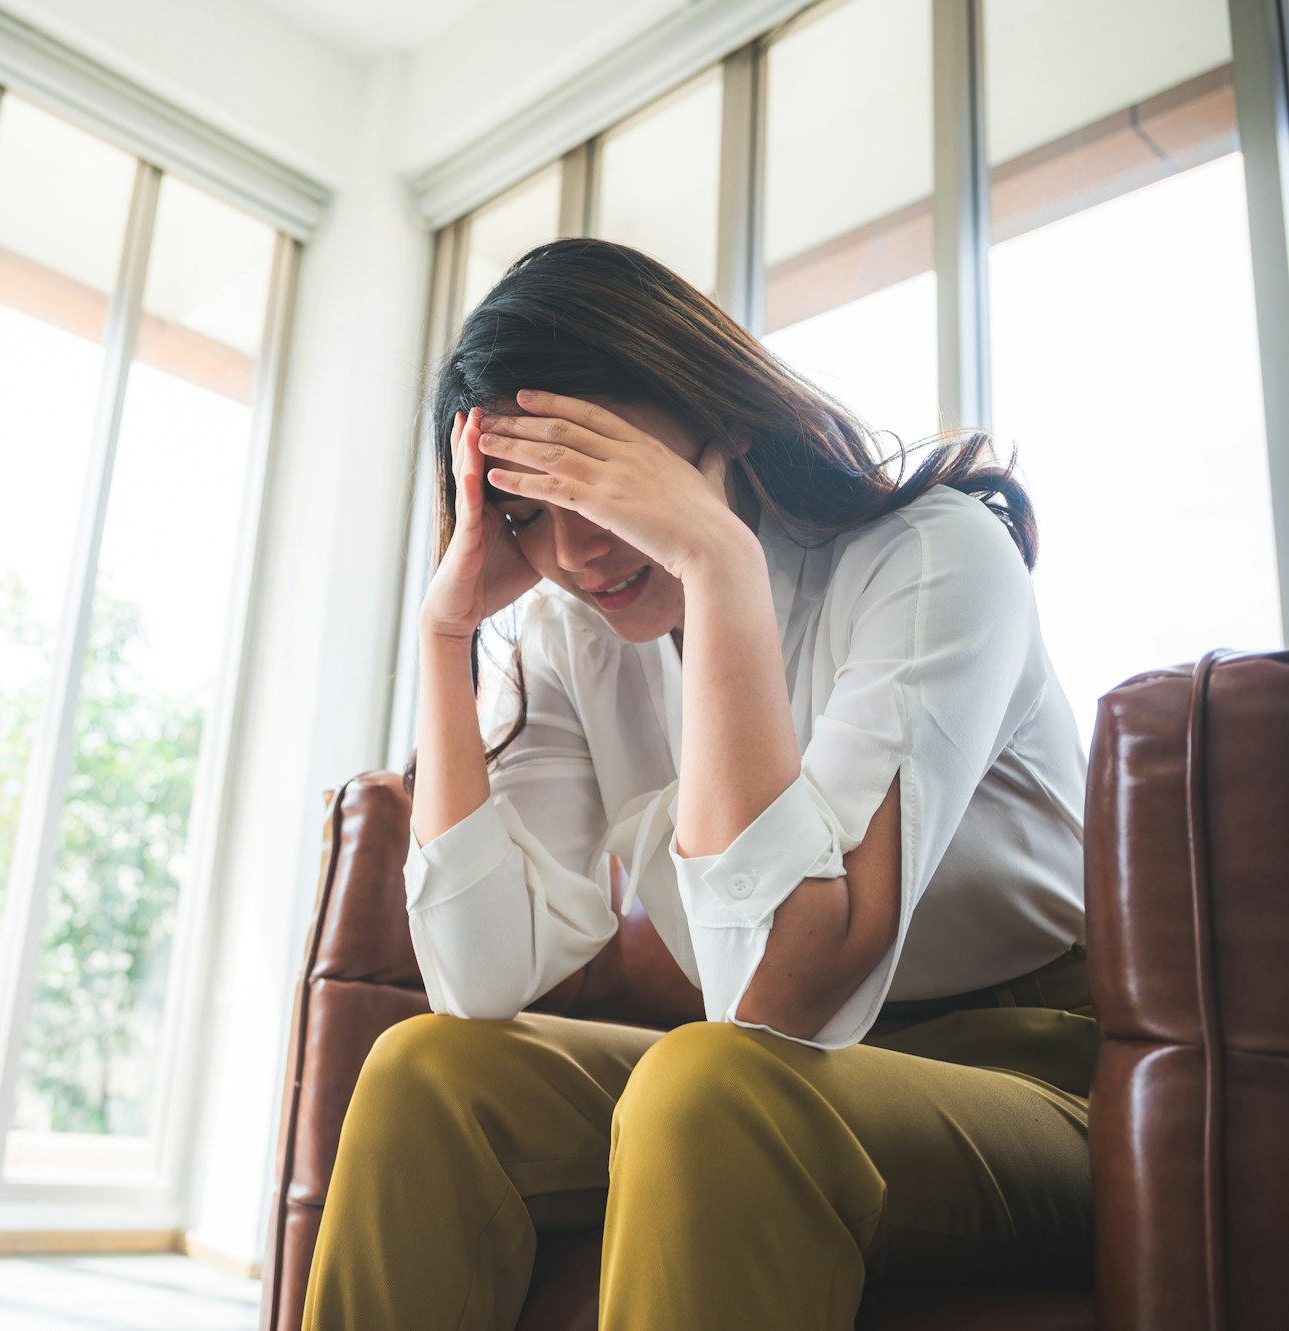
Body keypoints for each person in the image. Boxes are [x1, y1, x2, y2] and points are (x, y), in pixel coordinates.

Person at [300, 237, 1096, 1331]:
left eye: (598, 476)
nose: (574, 549)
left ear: (710, 417)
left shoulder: (933, 559)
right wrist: (443, 635)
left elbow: (778, 993)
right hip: (776, 1072)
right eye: (528, 507)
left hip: (1031, 1067)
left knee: (709, 1080)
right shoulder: (561, 633)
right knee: (423, 1071)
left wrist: (717, 567)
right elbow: (477, 982)